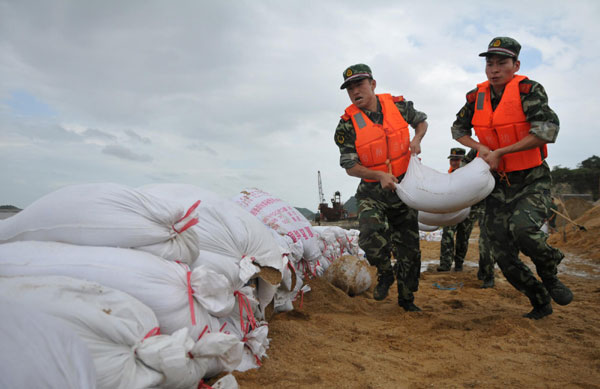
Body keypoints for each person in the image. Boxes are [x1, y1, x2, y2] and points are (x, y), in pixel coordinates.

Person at [451, 37, 572, 319]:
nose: (494, 69)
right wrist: (480, 147)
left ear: (515, 65)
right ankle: (540, 299)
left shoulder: (529, 90)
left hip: (531, 180)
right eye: (489, 63)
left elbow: (546, 131)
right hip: (496, 185)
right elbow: (458, 129)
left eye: (502, 63)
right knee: (502, 255)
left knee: (524, 230)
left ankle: (550, 271)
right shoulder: (475, 97)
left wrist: (501, 151)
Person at [334, 64, 428, 312]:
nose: (355, 91)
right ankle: (385, 272)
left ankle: (407, 300)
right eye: (350, 88)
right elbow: (350, 166)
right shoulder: (346, 125)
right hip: (372, 192)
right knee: (370, 234)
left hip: (404, 189)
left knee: (409, 250)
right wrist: (378, 175)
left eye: (360, 85)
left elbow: (421, 122)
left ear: (373, 84)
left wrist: (416, 140)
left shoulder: (398, 106)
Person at [437, 148, 476, 273]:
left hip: (468, 210)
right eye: (452, 160)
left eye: (457, 160)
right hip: (452, 210)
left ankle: (459, 263)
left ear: (463, 160)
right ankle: (445, 264)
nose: (454, 162)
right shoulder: (449, 174)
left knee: (463, 237)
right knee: (447, 235)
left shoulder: (470, 174)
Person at [463, 148, 495, 288]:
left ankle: (485, 271)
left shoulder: (507, 146)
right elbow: (464, 166)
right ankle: (487, 274)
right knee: (485, 241)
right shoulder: (476, 150)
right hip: (480, 200)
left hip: (500, 200)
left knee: (493, 241)